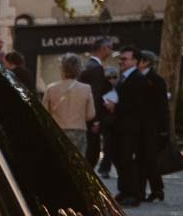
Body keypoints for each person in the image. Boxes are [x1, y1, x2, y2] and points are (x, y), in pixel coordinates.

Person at [111, 45, 148, 206]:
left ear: (135, 61)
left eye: (124, 59)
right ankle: (124, 190)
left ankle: (133, 193)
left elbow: (137, 105)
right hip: (120, 126)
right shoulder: (123, 78)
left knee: (127, 160)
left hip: (131, 128)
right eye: (120, 58)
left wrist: (115, 106)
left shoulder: (138, 79)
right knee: (119, 158)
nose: (121, 61)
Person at [135, 50, 171, 202]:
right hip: (140, 126)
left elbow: (162, 106)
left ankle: (157, 190)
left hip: (152, 127)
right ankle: (142, 190)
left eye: (138, 60)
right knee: (141, 159)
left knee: (150, 160)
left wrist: (164, 129)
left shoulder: (156, 80)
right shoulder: (137, 78)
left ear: (146, 62)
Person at [43, 52, 96, 153]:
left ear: (62, 68)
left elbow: (44, 113)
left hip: (57, 131)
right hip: (79, 131)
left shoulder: (51, 88)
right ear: (79, 69)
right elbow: (90, 114)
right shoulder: (86, 88)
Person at [78, 37, 114, 172]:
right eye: (110, 48)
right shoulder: (96, 68)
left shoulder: (88, 65)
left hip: (86, 118)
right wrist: (95, 121)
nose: (111, 52)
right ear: (103, 49)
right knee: (92, 153)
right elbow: (94, 96)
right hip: (92, 120)